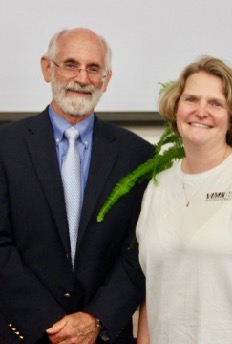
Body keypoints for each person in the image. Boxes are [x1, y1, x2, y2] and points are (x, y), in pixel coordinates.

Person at [0, 27, 154, 344]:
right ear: (47, 68)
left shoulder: (137, 155)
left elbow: (140, 250)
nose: (81, 78)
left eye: (94, 68)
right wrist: (52, 325)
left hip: (104, 335)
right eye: (70, 64)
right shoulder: (5, 147)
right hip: (23, 333)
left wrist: (95, 319)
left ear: (106, 80)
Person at [136, 56, 232, 343]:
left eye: (215, 103)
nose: (201, 111)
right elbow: (152, 292)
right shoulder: (156, 189)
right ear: (176, 108)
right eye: (191, 99)